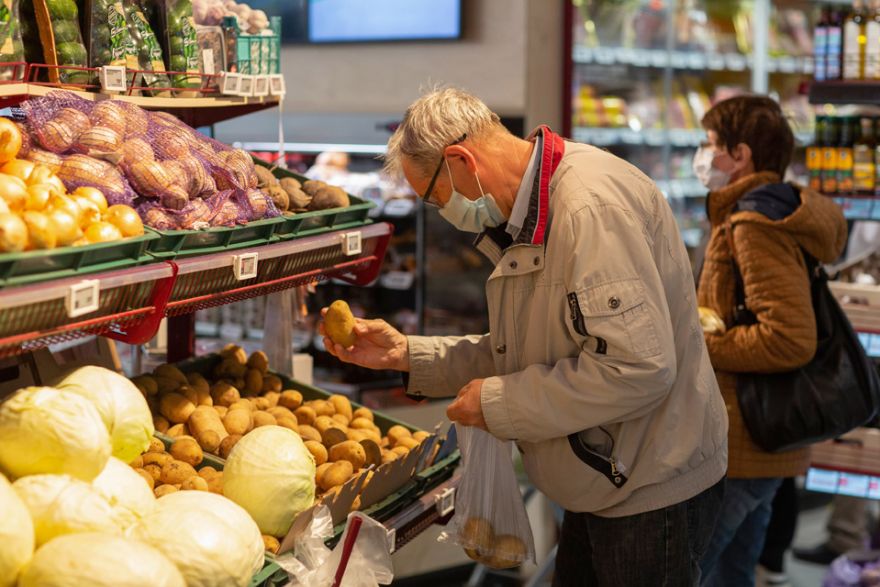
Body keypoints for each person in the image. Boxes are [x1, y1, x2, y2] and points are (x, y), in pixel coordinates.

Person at [320, 87, 727, 586]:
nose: (440, 212)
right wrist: (408, 355)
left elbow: (636, 368)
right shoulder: (531, 215)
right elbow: (528, 350)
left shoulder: (587, 211)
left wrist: (499, 403)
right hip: (606, 474)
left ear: (461, 160)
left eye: (433, 197)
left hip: (648, 489)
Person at [694, 95, 848, 586]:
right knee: (732, 572)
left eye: (711, 144)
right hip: (754, 439)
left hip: (744, 440)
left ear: (740, 156)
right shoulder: (753, 213)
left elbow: (788, 339)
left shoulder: (753, 224)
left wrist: (701, 345)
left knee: (689, 570)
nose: (703, 156)